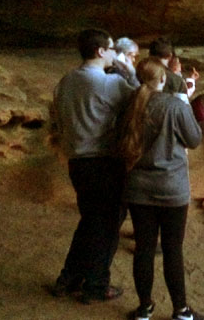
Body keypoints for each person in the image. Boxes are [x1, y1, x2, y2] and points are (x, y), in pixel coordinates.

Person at [51, 28, 135, 303]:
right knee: (108, 225)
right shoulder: (108, 83)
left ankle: (69, 278)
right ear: (101, 51)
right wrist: (128, 69)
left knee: (90, 222)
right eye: (111, 49)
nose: (114, 53)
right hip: (104, 162)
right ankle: (96, 285)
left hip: (77, 162)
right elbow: (142, 99)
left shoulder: (66, 81)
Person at [118, 58, 204, 320]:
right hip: (171, 188)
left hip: (138, 188)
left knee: (144, 248)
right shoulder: (174, 106)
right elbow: (195, 139)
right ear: (164, 79)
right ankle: (181, 310)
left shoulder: (130, 104)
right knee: (172, 249)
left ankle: (144, 308)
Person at [148, 37, 198, 103]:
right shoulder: (176, 79)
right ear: (170, 56)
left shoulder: (141, 72)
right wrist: (191, 80)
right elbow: (182, 106)